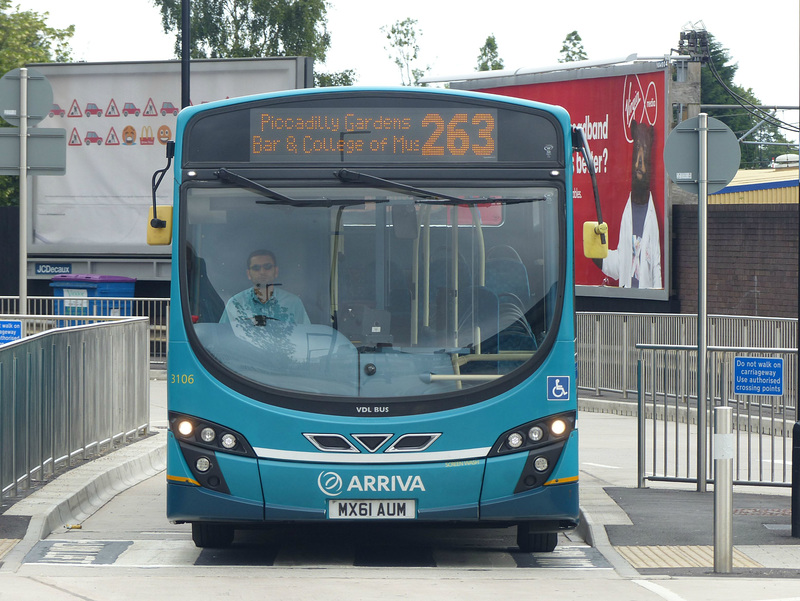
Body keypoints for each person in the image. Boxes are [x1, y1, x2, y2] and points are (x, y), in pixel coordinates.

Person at [595, 120, 662, 289]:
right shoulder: (625, 216)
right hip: (627, 297)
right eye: (637, 159)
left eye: (643, 158)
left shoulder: (653, 217)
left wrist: (657, 298)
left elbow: (656, 264)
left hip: (645, 301)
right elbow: (620, 260)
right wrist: (593, 247)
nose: (639, 165)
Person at [220, 249, 309, 327]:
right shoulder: (235, 304)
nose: (262, 272)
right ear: (248, 274)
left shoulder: (293, 303)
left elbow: (305, 339)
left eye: (267, 267)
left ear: (276, 271)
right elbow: (222, 338)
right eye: (256, 268)